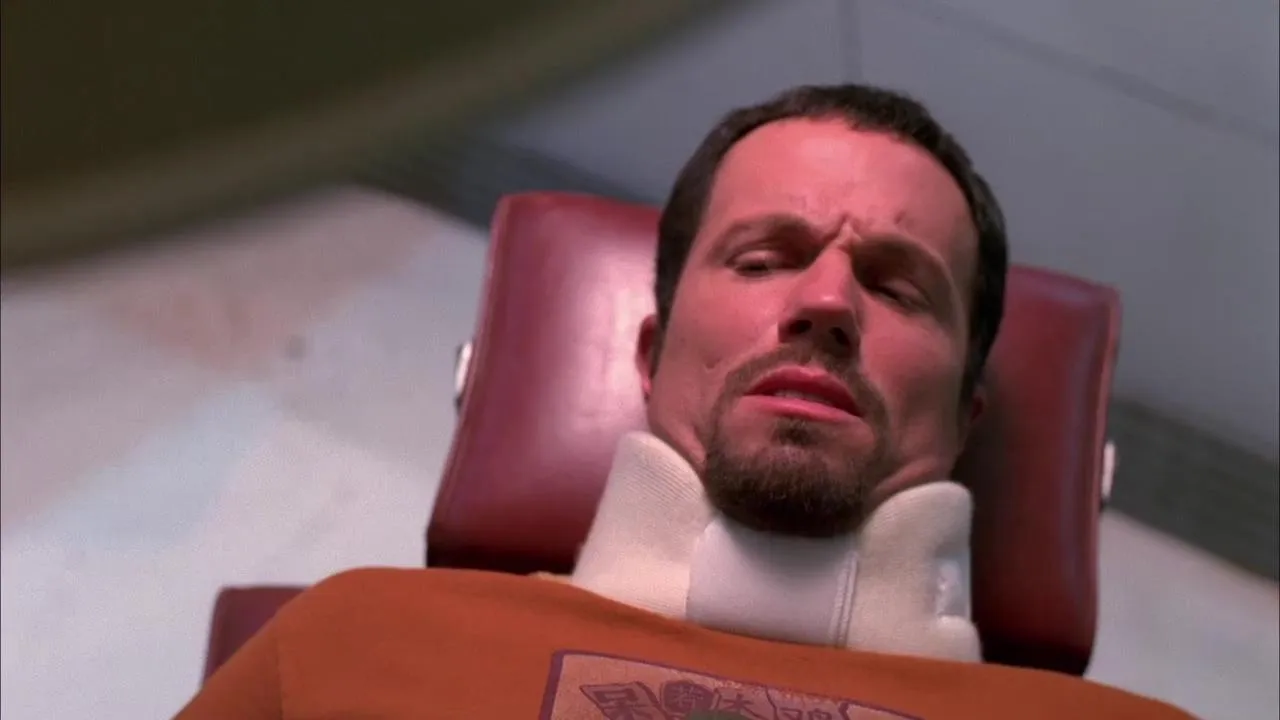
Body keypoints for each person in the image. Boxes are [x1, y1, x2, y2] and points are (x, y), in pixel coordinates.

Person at [177, 85, 1193, 719]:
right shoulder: (354, 640)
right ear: (651, 354)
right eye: (763, 259)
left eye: (895, 287)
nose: (826, 303)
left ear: (967, 414)